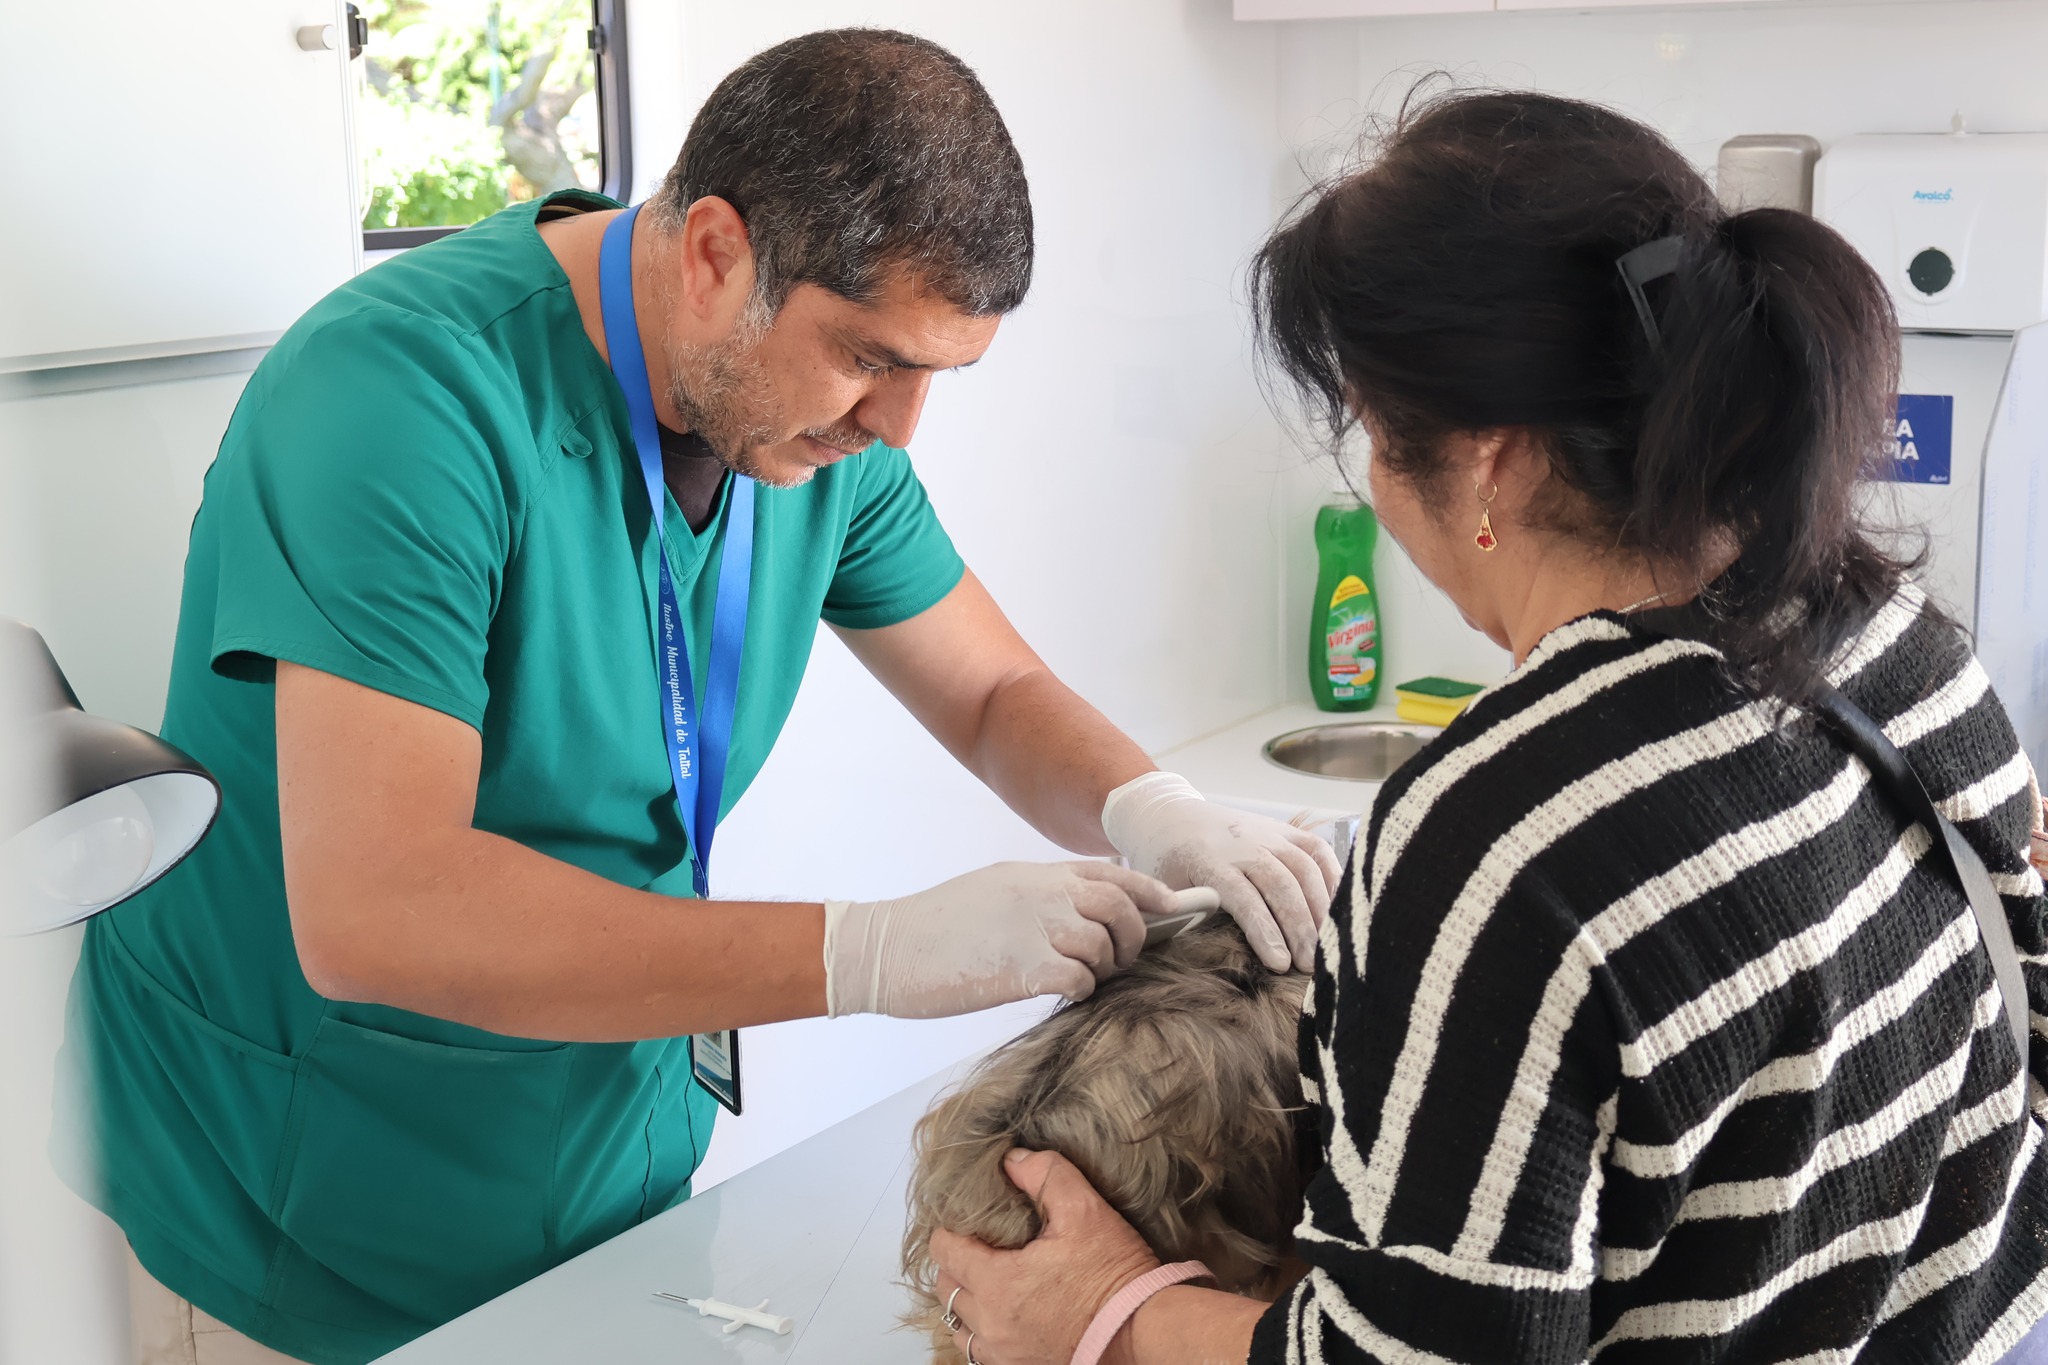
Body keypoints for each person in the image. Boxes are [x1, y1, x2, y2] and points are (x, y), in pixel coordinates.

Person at [57, 29, 1339, 1365]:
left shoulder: (801, 433)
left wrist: (1151, 804)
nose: (898, 428)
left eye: (935, 377)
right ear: (716, 250)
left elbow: (993, 687)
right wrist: (868, 953)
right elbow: (381, 909)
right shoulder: (400, 401)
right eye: (869, 358)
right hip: (301, 1200)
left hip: (598, 1168)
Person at [930, 89, 2048, 1365]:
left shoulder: (1497, 832)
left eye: (1366, 430)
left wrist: (1104, 1317)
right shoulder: (1886, 634)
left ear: (1486, 462)